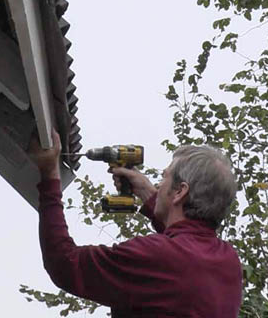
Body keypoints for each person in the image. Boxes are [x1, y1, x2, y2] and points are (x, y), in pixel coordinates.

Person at [29, 130, 242, 317]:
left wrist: (49, 177)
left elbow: (64, 264)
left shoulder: (154, 255)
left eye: (164, 178)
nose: (159, 184)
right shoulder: (228, 262)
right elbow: (186, 247)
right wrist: (150, 195)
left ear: (180, 191)